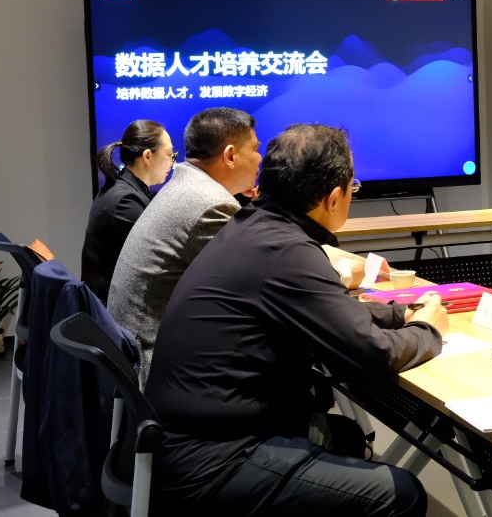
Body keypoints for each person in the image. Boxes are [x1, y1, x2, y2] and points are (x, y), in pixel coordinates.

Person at [147, 123, 447, 517]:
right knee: (402, 494)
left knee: (346, 435)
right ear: (333, 198)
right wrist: (428, 330)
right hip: (213, 464)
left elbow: (323, 310)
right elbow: (373, 356)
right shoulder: (288, 251)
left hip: (184, 441)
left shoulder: (254, 228)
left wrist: (398, 314)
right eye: (353, 188)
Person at [108, 107, 261, 387]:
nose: (260, 158)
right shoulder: (212, 205)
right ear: (230, 155)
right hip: (152, 366)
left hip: (129, 352)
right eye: (255, 148)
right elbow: (257, 282)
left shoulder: (186, 183)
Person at [81, 120, 175, 303]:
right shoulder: (126, 202)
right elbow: (159, 263)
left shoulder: (122, 188)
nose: (172, 162)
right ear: (147, 156)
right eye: (170, 154)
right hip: (113, 312)